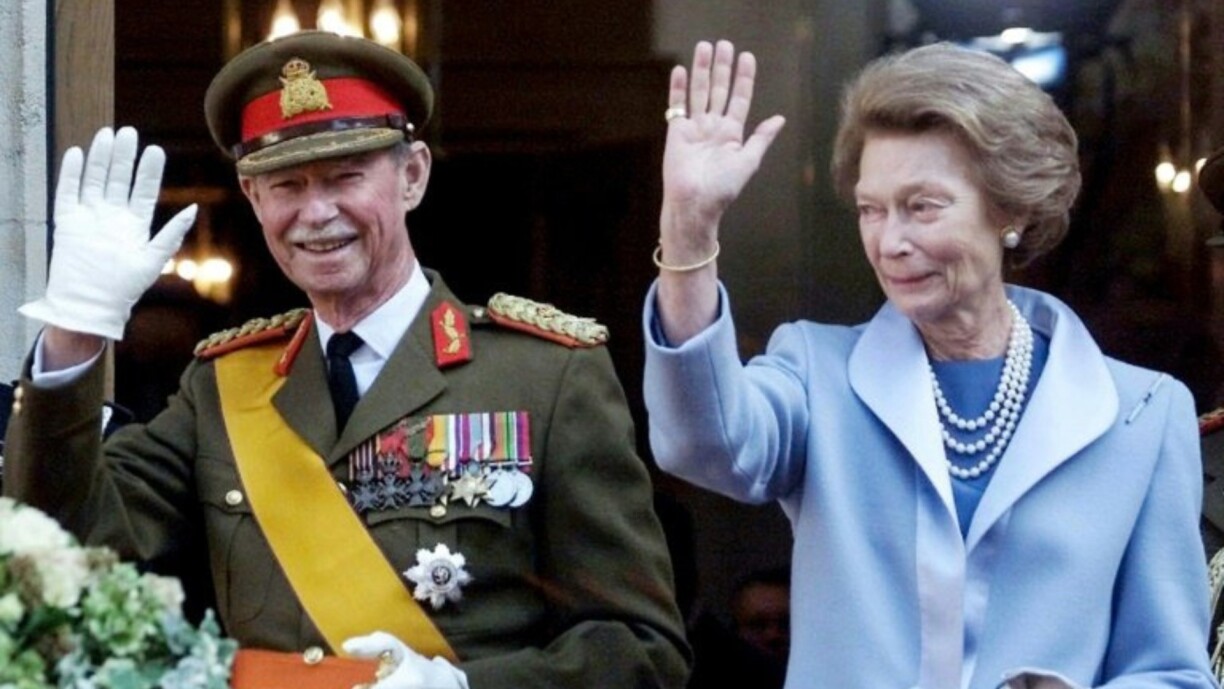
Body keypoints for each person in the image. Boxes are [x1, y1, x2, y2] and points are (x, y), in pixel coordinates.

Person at [4, 30, 689, 689]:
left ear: (412, 176)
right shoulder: (223, 388)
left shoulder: (546, 377)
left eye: (345, 176)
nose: (317, 212)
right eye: (286, 185)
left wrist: (462, 687)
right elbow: (63, 547)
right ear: (253, 197)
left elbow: (641, 650)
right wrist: (76, 332)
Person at [643, 39, 1215, 688]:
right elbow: (703, 444)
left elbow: (1171, 671)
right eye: (871, 209)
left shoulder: (1143, 415)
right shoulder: (816, 372)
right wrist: (689, 227)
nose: (890, 241)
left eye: (922, 207)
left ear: (1010, 209)